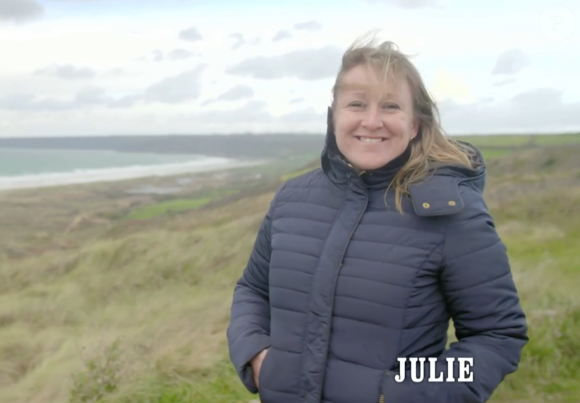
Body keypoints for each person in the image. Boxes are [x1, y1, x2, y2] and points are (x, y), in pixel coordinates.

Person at [226, 33, 528, 403]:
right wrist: (256, 352)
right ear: (333, 116)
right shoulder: (292, 197)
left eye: (390, 107)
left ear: (414, 124)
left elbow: (496, 336)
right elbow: (253, 289)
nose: (371, 121)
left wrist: (400, 394)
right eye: (356, 104)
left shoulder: (452, 212)